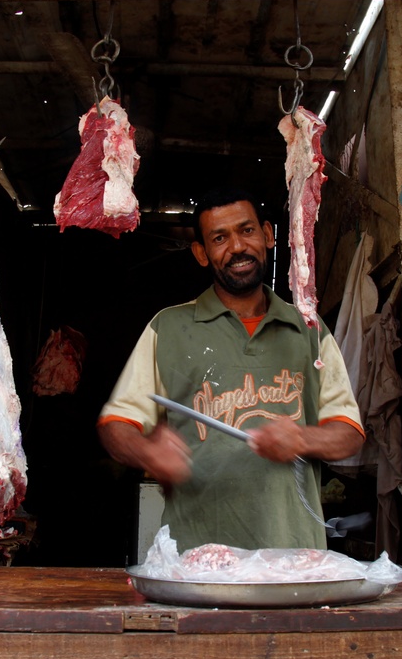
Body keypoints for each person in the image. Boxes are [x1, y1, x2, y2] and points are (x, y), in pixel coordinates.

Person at [97, 187, 365, 552]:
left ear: (269, 235)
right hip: (197, 554)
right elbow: (116, 424)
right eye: (219, 238)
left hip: (295, 554)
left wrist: (303, 439)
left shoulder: (309, 329)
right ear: (201, 254)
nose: (237, 247)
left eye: (247, 231)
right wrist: (148, 452)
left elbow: (349, 432)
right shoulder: (169, 328)